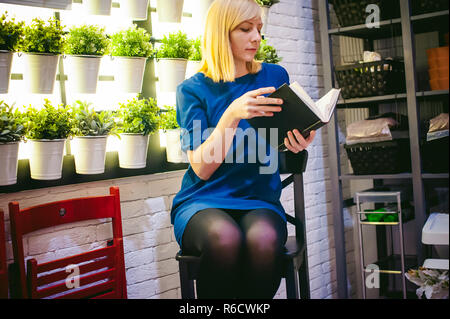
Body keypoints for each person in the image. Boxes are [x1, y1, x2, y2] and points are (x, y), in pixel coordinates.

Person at [171, 0, 316, 299]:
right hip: (203, 203)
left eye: (259, 29)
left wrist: (298, 144)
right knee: (224, 238)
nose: (256, 38)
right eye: (245, 29)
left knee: (262, 239)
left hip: (259, 200)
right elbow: (202, 168)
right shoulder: (192, 90)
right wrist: (232, 114)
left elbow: (284, 148)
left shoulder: (274, 78)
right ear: (221, 33)